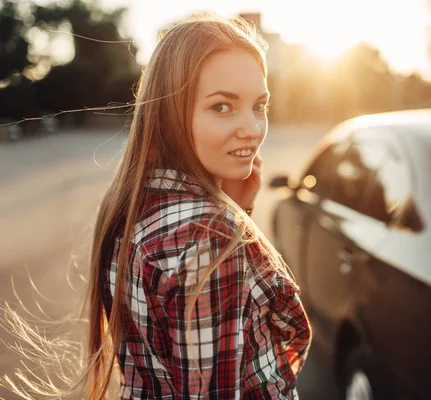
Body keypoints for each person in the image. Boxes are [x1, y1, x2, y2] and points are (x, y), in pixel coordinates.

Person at [0, 13, 311, 400]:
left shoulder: (136, 204)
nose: (252, 128)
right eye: (222, 107)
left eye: (259, 105)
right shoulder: (212, 238)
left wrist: (235, 205)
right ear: (170, 114)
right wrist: (229, 220)